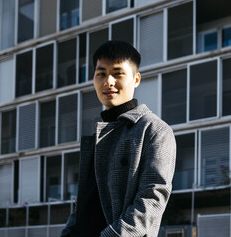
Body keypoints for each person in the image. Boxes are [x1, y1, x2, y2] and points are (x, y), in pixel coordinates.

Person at [61, 40, 176, 237]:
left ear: (136, 79)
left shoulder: (154, 130)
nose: (108, 82)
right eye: (101, 74)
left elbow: (151, 199)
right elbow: (84, 205)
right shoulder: (97, 136)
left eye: (117, 73)